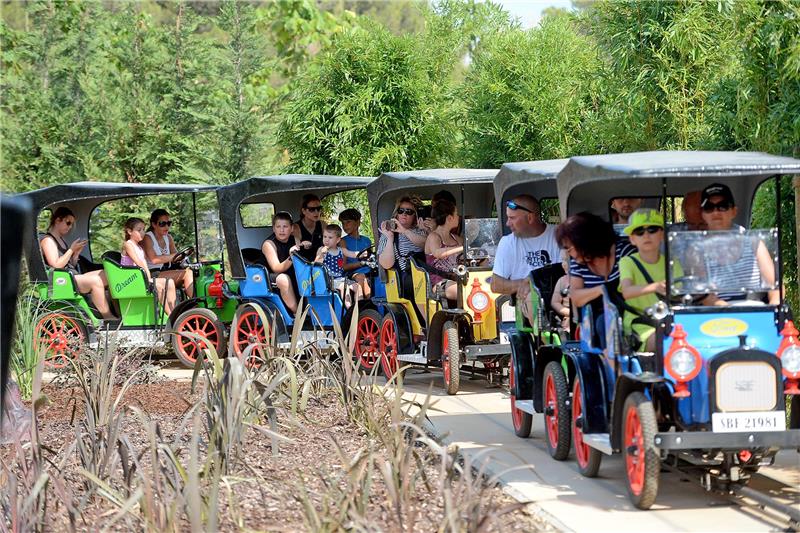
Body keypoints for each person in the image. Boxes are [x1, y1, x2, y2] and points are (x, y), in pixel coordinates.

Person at [556, 212, 636, 348]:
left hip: (632, 309)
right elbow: (576, 297)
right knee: (604, 323)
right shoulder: (578, 262)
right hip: (598, 317)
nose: (568, 253)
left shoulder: (625, 251)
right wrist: (603, 289)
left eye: (569, 248)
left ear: (585, 241)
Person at [697, 183, 779, 305]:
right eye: (709, 207)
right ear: (703, 214)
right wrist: (730, 312)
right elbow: (703, 295)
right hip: (715, 315)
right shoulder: (696, 249)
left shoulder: (753, 242)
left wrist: (774, 307)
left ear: (734, 211)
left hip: (754, 311)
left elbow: (774, 284)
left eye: (723, 206)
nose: (716, 212)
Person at [490, 194, 561, 323]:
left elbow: (567, 271)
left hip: (559, 293)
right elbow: (495, 284)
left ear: (530, 218)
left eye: (512, 218)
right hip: (528, 302)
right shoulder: (508, 243)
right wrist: (525, 285)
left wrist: (533, 281)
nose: (507, 223)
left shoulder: (558, 236)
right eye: (508, 218)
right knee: (532, 299)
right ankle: (548, 342)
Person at [618, 209, 681, 351]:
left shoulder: (672, 262)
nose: (646, 235)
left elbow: (681, 291)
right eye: (639, 231)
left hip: (670, 320)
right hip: (640, 323)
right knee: (661, 338)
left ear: (662, 235)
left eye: (652, 229)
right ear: (632, 239)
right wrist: (655, 287)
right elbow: (627, 292)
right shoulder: (627, 262)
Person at [40, 207, 115, 319]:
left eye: (71, 224)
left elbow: (70, 265)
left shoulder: (61, 239)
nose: (70, 227)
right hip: (61, 280)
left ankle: (118, 312)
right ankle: (108, 318)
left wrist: (75, 254)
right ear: (57, 220)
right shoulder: (48, 240)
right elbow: (56, 265)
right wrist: (71, 250)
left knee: (108, 274)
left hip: (71, 275)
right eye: (68, 223)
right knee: (95, 281)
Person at [122, 218, 176, 315]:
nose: (142, 233)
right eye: (139, 230)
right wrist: (148, 278)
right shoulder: (128, 244)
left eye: (143, 229)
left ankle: (174, 310)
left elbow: (144, 262)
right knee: (158, 286)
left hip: (140, 277)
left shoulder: (139, 246)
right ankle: (171, 316)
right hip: (131, 279)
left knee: (170, 282)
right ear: (130, 231)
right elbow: (139, 262)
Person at [142, 209, 195, 298]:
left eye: (169, 223)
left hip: (166, 270)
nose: (167, 227)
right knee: (187, 274)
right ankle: (195, 304)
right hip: (154, 273)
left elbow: (176, 255)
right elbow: (154, 259)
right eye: (162, 224)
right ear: (154, 224)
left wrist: (182, 256)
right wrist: (174, 256)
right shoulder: (148, 237)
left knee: (195, 272)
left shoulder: (168, 237)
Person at [262, 211, 301, 314]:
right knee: (284, 279)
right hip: (270, 276)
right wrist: (291, 256)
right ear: (274, 228)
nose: (282, 230)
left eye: (285, 226)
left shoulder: (295, 239)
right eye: (278, 227)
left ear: (291, 228)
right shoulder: (269, 244)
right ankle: (297, 313)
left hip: (291, 271)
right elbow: (276, 268)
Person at [425, 200, 463, 301]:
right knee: (464, 292)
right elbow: (437, 253)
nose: (459, 217)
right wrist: (462, 248)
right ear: (450, 218)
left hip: (457, 278)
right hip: (438, 282)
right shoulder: (433, 237)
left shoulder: (457, 238)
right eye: (456, 214)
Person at [377, 196, 428, 272]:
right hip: (406, 277)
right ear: (397, 213)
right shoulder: (388, 233)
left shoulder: (421, 230)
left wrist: (404, 231)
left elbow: (427, 245)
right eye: (401, 211)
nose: (404, 214)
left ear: (415, 215)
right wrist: (390, 238)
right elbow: (386, 264)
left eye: (409, 212)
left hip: (426, 272)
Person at [315, 224, 362, 305]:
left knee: (358, 287)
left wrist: (362, 254)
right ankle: (348, 311)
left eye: (330, 238)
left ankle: (358, 309)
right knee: (343, 287)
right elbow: (316, 265)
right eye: (325, 237)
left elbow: (352, 254)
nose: (326, 240)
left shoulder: (341, 250)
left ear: (337, 240)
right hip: (328, 280)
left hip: (340, 278)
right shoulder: (321, 250)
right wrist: (322, 255)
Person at [339, 208, 372, 299]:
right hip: (352, 273)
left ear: (357, 223)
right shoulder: (343, 241)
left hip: (369, 272)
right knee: (361, 277)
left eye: (348, 222)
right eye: (343, 223)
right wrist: (361, 264)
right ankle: (361, 307)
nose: (345, 226)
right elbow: (343, 266)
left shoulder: (366, 241)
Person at [293, 194, 324, 262]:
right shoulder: (296, 228)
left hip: (320, 263)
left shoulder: (322, 224)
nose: (316, 212)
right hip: (304, 264)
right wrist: (302, 244)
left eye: (319, 209)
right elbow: (296, 251)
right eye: (312, 209)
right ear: (303, 211)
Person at [551, 252, 571, 331]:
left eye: (567, 260)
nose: (563, 264)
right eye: (563, 260)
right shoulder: (562, 281)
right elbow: (555, 302)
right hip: (568, 316)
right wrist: (570, 313)